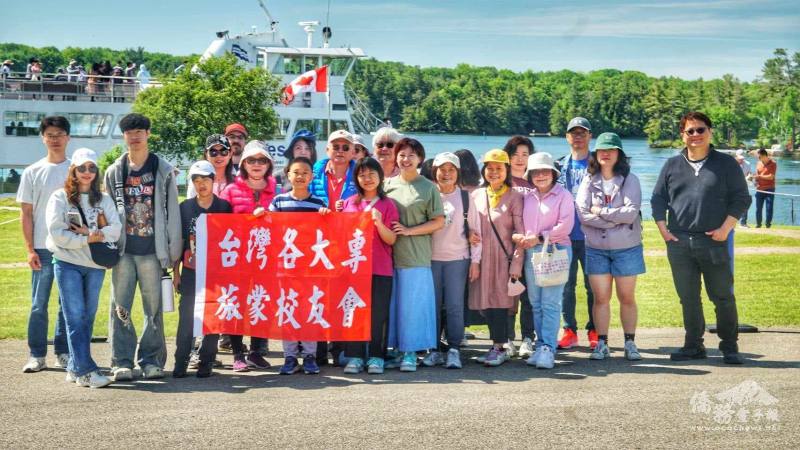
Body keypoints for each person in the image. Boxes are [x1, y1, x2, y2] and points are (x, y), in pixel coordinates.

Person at [651, 111, 751, 365]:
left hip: (714, 241)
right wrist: (664, 230)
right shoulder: (672, 165)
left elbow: (742, 198)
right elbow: (657, 199)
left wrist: (726, 229)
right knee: (688, 297)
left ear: (710, 132)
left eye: (700, 130)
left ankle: (730, 347)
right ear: (682, 135)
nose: (695, 135)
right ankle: (693, 345)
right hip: (679, 243)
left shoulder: (726, 164)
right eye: (690, 131)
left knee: (722, 297)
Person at [104, 113, 182, 381]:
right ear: (124, 136)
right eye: (129, 131)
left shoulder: (163, 169)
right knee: (120, 306)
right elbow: (107, 212)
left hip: (153, 250)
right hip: (124, 252)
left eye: (139, 130)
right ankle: (121, 361)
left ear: (148, 133)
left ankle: (151, 360)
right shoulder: (115, 171)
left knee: (154, 310)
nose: (135, 135)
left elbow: (172, 210)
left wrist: (173, 252)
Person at [46, 148, 122, 388]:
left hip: (95, 265)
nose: (87, 172)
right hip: (67, 263)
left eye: (91, 168)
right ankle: (86, 371)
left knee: (87, 317)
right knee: (75, 317)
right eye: (82, 168)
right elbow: (57, 234)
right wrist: (88, 239)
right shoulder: (60, 198)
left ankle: (74, 367)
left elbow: (115, 229)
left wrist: (88, 233)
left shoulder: (104, 199)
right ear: (73, 171)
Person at [576, 133, 645, 362]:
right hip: (595, 248)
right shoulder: (588, 179)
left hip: (627, 248)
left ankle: (630, 342)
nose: (606, 154)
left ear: (619, 153)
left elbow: (631, 213)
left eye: (611, 149)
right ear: (596, 153)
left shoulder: (630, 179)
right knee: (600, 298)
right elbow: (583, 214)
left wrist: (601, 213)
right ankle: (602, 343)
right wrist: (613, 219)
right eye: (602, 150)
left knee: (627, 297)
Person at [385, 137, 445, 371]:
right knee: (394, 306)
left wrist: (410, 231)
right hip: (389, 255)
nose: (406, 159)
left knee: (412, 307)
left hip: (416, 255)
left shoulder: (428, 187)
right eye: (401, 154)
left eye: (411, 155)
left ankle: (411, 352)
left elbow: (439, 221)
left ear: (420, 159)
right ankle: (397, 350)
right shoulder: (387, 185)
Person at [17, 116, 72, 373]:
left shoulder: (76, 170)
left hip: (69, 247)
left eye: (59, 134)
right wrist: (29, 249)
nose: (55, 139)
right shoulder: (32, 171)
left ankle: (64, 352)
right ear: (43, 138)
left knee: (66, 304)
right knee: (39, 304)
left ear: (68, 138)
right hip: (41, 247)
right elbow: (26, 213)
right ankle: (37, 354)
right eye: (50, 135)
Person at [268, 157, 331, 375]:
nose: (301, 176)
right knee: (289, 309)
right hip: (286, 267)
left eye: (305, 172)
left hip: (311, 267)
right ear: (288, 174)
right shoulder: (279, 202)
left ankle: (310, 355)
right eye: (296, 172)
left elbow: (330, 232)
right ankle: (290, 356)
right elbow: (269, 226)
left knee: (310, 309)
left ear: (312, 177)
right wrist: (260, 215)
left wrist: (327, 217)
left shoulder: (319, 204)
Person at [219, 141, 278, 370]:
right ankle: (237, 354)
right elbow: (221, 224)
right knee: (237, 304)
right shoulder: (231, 190)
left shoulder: (277, 190)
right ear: (243, 163)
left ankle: (256, 351)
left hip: (266, 258)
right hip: (238, 258)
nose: (256, 165)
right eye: (251, 160)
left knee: (261, 302)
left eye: (262, 160)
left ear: (268, 165)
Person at [172, 161, 232, 378]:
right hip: (190, 270)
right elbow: (179, 242)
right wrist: (176, 272)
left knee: (213, 316)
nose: (201, 185)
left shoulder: (224, 207)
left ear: (213, 181)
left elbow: (231, 239)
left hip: (216, 273)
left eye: (205, 180)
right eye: (196, 181)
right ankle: (181, 361)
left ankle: (206, 361)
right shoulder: (185, 207)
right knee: (187, 317)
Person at [514, 152, 574, 369]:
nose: (540, 175)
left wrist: (539, 237)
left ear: (553, 173)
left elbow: (564, 227)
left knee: (550, 302)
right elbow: (520, 223)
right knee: (536, 303)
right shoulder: (527, 197)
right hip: (532, 252)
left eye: (544, 171)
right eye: (536, 172)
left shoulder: (563, 195)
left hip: (555, 250)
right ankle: (541, 346)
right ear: (530, 175)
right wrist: (521, 236)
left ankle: (548, 348)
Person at [341, 157, 399, 374]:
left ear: (380, 177)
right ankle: (354, 356)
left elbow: (391, 239)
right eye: (362, 174)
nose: (367, 179)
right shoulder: (349, 203)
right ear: (356, 178)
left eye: (371, 174)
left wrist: (378, 221)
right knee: (353, 311)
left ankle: (376, 355)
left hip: (380, 267)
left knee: (379, 314)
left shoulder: (388, 205)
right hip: (354, 268)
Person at [424, 152, 481, 370]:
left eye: (451, 170)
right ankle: (434, 349)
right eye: (442, 170)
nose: (446, 174)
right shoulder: (429, 195)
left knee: (455, 305)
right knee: (433, 306)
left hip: (458, 259)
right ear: (435, 172)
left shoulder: (466, 198)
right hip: (430, 258)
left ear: (457, 173)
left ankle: (454, 348)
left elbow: (476, 232)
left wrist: (475, 261)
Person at [469, 149, 524, 367]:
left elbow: (521, 231)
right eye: (489, 168)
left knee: (501, 303)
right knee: (486, 303)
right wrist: (468, 234)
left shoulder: (515, 196)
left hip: (504, 258)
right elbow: (470, 225)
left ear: (507, 170)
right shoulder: (476, 195)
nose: (493, 172)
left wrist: (517, 262)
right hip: (482, 258)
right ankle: (497, 345)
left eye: (499, 168)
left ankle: (501, 346)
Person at [556, 117, 597, 350]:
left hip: (592, 237)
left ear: (590, 136)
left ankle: (594, 329)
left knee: (593, 286)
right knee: (565, 285)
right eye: (574, 133)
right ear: (567, 137)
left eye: (583, 132)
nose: (578, 136)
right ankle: (569, 329)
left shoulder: (598, 164)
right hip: (565, 237)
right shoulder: (560, 165)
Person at [503, 135, 536, 358]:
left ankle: (527, 338)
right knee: (506, 296)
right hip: (503, 248)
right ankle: (506, 339)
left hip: (529, 247)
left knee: (529, 295)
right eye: (515, 155)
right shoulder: (499, 182)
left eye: (525, 155)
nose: (520, 159)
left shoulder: (535, 183)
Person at [311, 129, 358, 210]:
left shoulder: (360, 174)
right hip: (319, 222)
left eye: (345, 148)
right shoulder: (312, 174)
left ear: (353, 153)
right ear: (327, 150)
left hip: (350, 222)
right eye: (336, 147)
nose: (340, 151)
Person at [753, 148, 777, 229]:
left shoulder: (773, 163)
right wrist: (754, 180)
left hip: (770, 189)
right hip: (759, 188)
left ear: (765, 156)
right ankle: (758, 224)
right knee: (758, 208)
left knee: (769, 208)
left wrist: (759, 176)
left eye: (759, 157)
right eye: (758, 157)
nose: (758, 158)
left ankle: (768, 225)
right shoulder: (758, 163)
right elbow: (757, 174)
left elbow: (771, 177)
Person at [735, 149, 753, 227]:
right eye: (740, 158)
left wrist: (750, 177)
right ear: (736, 156)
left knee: (745, 203)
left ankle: (743, 223)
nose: (741, 160)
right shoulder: (731, 163)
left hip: (744, 187)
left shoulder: (748, 164)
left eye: (742, 158)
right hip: (732, 187)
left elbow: (749, 174)